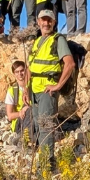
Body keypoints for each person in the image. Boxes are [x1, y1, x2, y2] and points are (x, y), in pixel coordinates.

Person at [27, 9, 75, 169]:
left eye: (49, 20)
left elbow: (70, 63)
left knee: (46, 126)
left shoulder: (57, 40)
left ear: (54, 23)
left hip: (47, 92)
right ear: (38, 22)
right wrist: (26, 91)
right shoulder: (37, 41)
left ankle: (46, 168)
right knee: (39, 128)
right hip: (34, 92)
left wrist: (58, 85)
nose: (46, 23)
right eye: (43, 20)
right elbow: (30, 68)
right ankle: (44, 161)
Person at [5, 61, 31, 137]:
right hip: (19, 123)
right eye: (17, 72)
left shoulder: (32, 86)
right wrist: (20, 113)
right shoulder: (12, 90)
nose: (20, 74)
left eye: (22, 70)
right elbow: (10, 116)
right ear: (14, 74)